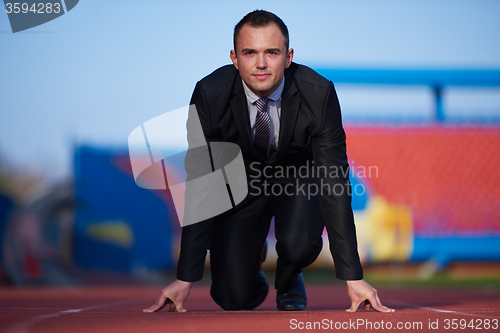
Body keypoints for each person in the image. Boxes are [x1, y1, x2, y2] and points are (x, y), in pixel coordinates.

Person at [144, 10, 394, 313]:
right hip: (238, 183)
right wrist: (184, 277)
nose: (260, 63)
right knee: (232, 299)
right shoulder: (209, 95)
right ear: (235, 59)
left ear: (288, 57)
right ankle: (253, 260)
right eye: (250, 53)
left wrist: (353, 276)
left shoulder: (318, 94)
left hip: (298, 177)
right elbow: (202, 181)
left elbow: (333, 181)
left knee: (298, 242)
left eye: (271, 52)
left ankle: (290, 277)